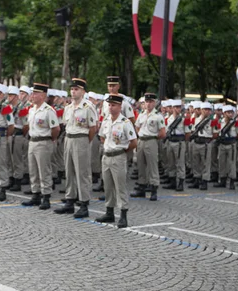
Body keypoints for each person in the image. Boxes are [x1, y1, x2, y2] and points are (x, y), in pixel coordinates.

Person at [54, 78, 97, 218]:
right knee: (69, 171)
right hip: (69, 139)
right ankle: (70, 201)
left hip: (81, 139)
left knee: (82, 172)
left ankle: (84, 203)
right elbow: (66, 125)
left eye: (76, 89)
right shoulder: (68, 107)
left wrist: (84, 141)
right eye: (72, 89)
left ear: (83, 91)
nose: (73, 91)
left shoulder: (88, 107)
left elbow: (93, 128)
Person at [95, 94, 137, 227]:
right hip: (107, 156)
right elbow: (102, 137)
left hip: (118, 156)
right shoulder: (106, 120)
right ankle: (109, 212)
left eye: (113, 105)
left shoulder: (125, 123)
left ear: (119, 106)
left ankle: (123, 215)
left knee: (120, 187)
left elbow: (134, 142)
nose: (110, 108)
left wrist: (121, 150)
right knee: (108, 186)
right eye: (109, 105)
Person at [21, 83, 60, 209]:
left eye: (36, 93)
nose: (32, 95)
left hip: (44, 142)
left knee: (44, 170)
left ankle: (46, 196)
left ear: (43, 95)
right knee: (33, 170)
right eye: (33, 93)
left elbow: (56, 129)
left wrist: (50, 140)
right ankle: (35, 194)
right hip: (32, 141)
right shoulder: (32, 110)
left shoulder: (48, 111)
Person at [130, 93, 166, 201]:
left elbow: (162, 133)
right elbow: (136, 127)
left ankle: (153, 188)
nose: (148, 104)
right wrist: (141, 134)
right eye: (147, 102)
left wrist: (153, 137)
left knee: (152, 165)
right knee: (140, 165)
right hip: (141, 140)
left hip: (151, 141)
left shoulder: (158, 116)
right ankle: (142, 187)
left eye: (150, 102)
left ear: (154, 103)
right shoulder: (142, 114)